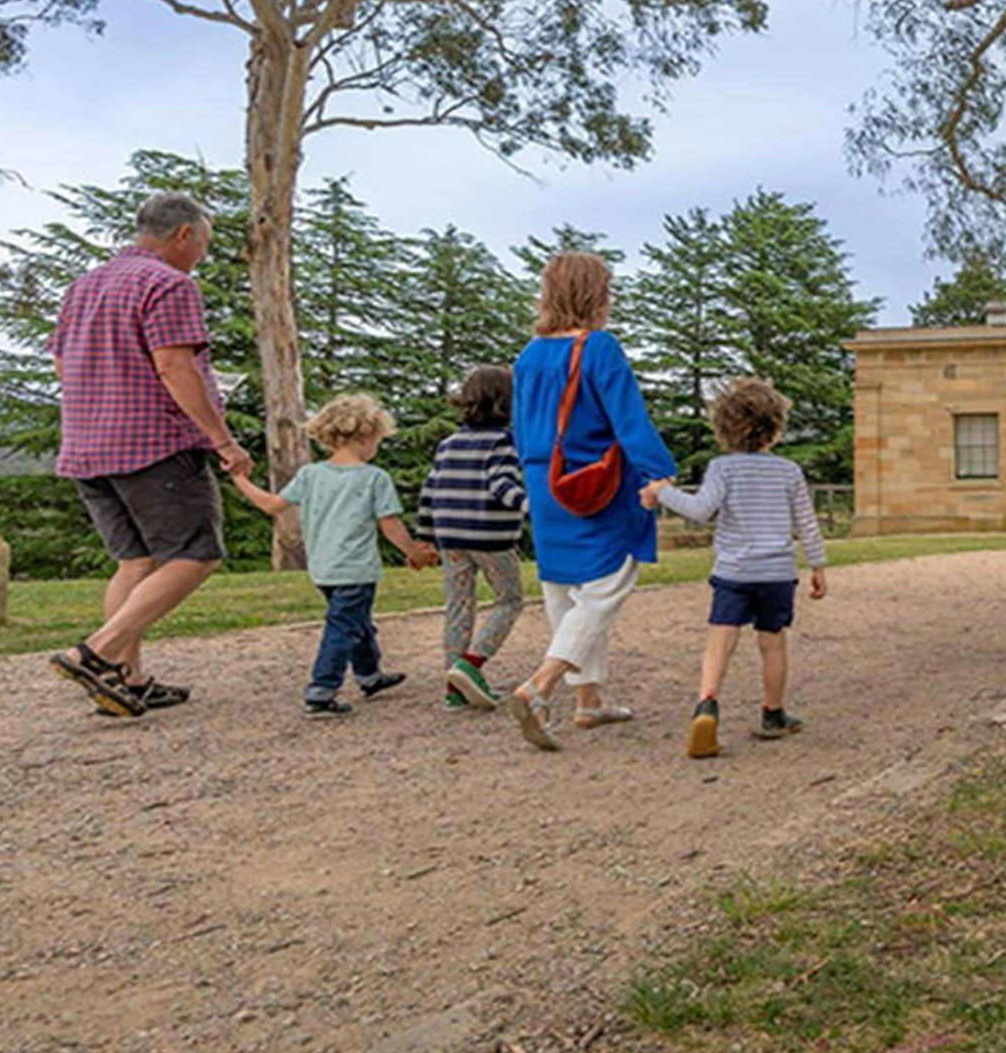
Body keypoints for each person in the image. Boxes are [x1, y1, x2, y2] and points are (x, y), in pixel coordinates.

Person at [46, 191, 254, 718]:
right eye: (203, 243)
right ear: (183, 235)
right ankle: (95, 654)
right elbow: (174, 367)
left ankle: (126, 680)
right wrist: (221, 439)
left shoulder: (83, 286)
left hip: (87, 445)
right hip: (152, 446)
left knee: (135, 561)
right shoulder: (169, 283)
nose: (202, 254)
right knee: (195, 553)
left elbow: (63, 368)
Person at [504, 251, 677, 751]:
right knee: (608, 582)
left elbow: (519, 427)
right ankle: (541, 685)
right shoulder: (598, 347)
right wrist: (660, 470)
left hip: (544, 481)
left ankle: (589, 702)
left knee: (564, 589)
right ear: (597, 295)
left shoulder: (528, 355)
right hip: (593, 482)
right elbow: (629, 421)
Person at [642, 377, 828, 759]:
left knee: (720, 641)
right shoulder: (789, 471)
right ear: (775, 429)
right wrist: (818, 565)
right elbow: (806, 523)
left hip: (734, 573)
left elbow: (699, 510)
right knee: (772, 643)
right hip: (776, 573)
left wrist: (661, 491)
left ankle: (706, 705)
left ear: (723, 427)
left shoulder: (722, 468)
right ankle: (773, 715)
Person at [228, 394, 437, 716]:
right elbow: (390, 525)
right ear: (366, 436)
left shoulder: (310, 475)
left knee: (357, 623)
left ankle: (370, 676)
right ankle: (321, 690)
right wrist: (416, 553)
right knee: (343, 628)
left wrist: (239, 478)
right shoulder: (374, 478)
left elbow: (270, 505)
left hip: (323, 568)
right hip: (356, 569)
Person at [414, 365, 529, 713]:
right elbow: (502, 485)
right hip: (491, 537)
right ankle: (471, 664)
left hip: (451, 538)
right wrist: (532, 506)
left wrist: (424, 538)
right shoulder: (503, 442)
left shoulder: (448, 445)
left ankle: (454, 689)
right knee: (510, 600)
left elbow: (429, 491)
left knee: (458, 607)